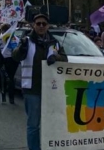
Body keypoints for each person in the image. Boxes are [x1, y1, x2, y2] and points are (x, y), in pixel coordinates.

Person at [12, 13, 67, 150]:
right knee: (33, 125)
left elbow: (65, 59)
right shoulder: (27, 41)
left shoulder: (54, 42)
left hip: (51, 89)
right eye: (38, 24)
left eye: (44, 23)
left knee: (50, 123)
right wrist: (21, 49)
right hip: (32, 89)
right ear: (33, 25)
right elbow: (15, 56)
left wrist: (57, 57)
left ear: (48, 26)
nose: (41, 26)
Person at [0, 24, 19, 104]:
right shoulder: (15, 38)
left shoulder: (2, 38)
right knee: (11, 78)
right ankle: (11, 98)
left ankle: (3, 96)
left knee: (3, 78)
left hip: (5, 59)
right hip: (13, 60)